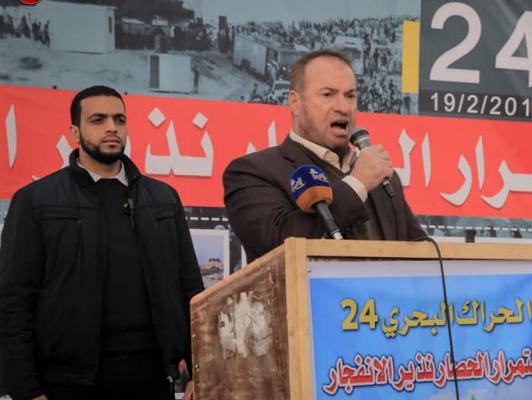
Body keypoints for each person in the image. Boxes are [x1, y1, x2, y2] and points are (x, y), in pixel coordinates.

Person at [0, 86, 204, 400]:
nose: (112, 128)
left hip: (152, 378)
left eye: (119, 120)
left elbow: (190, 290)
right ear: (74, 132)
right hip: (67, 384)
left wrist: (198, 371)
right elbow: (14, 300)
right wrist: (26, 390)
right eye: (98, 120)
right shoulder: (36, 201)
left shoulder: (163, 198)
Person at [224, 49, 425, 262]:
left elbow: (421, 251)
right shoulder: (252, 172)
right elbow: (278, 246)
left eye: (350, 96)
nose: (344, 107)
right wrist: (357, 185)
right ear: (295, 102)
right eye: (328, 95)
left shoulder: (383, 179)